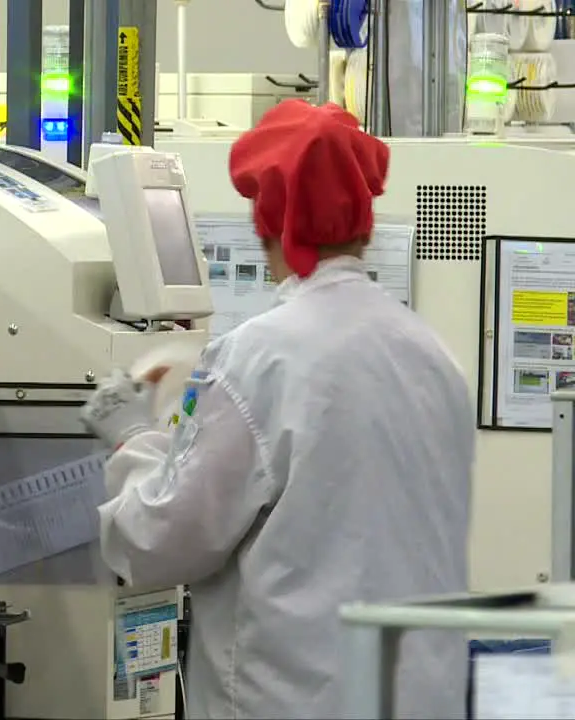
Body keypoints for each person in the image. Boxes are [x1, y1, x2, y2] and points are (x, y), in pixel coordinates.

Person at [80, 100, 473, 719]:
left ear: (270, 222)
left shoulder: (260, 358)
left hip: (293, 700)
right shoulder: (434, 357)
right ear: (364, 221)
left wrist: (133, 439)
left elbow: (165, 540)